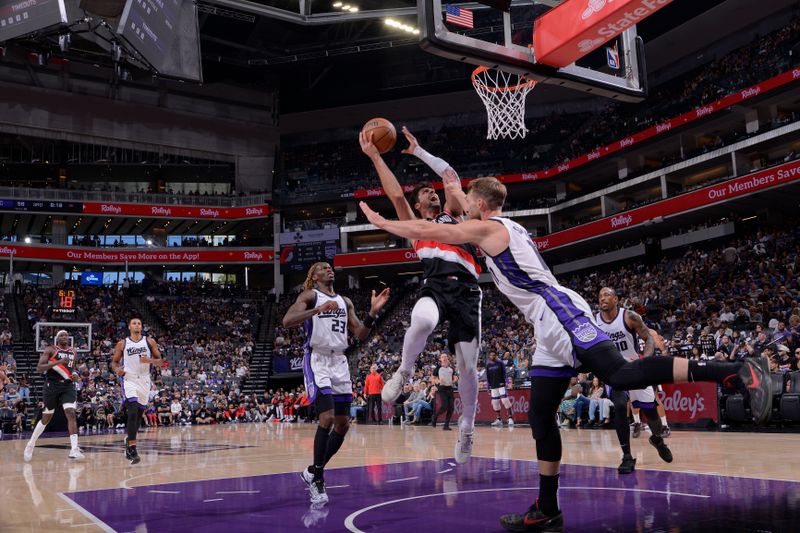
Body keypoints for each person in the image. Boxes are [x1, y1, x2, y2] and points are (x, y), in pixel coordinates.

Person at [359, 176, 772, 532]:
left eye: (468, 201)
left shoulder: (488, 229)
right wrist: (421, 155)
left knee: (622, 376)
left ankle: (733, 371)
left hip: (557, 310)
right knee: (539, 415)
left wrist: (384, 223)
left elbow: (445, 232)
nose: (462, 204)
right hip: (543, 326)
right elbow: (451, 185)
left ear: (480, 206)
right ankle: (547, 509)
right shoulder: (499, 222)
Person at [360, 128, 481, 463]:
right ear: (418, 204)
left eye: (433, 191)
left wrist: (419, 152)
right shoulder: (415, 227)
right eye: (426, 192)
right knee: (422, 319)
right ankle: (405, 371)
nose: (433, 194)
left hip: (468, 291)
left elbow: (450, 176)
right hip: (436, 286)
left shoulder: (456, 215)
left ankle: (467, 429)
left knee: (467, 369)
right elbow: (396, 196)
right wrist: (375, 156)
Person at [282, 262, 390, 506]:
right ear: (314, 275)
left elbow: (360, 334)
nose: (328, 269)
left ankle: (312, 470)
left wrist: (372, 314)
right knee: (327, 418)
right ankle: (318, 479)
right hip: (317, 358)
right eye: (322, 267)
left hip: (339, 360)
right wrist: (318, 309)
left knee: (342, 425)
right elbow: (287, 320)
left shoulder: (345, 301)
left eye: (330, 267)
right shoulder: (310, 295)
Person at [596, 287, 672, 474]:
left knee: (651, 412)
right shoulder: (594, 321)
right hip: (613, 371)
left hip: (634, 366)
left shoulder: (630, 317)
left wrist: (644, 360)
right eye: (600, 296)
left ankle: (657, 439)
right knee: (621, 406)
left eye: (606, 295)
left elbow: (649, 340)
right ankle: (627, 456)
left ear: (616, 299)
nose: (602, 299)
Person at [24, 330, 84, 461]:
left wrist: (74, 374)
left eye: (66, 335)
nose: (64, 337)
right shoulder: (51, 349)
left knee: (71, 413)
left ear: (68, 338)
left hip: (68, 386)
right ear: (57, 339)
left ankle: (74, 449)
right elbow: (40, 368)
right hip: (52, 386)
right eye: (61, 335)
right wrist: (58, 362)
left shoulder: (73, 351)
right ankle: (31, 443)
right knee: (46, 418)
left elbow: (71, 368)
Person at [111, 318, 162, 465]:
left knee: (139, 415)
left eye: (139, 323)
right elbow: (114, 362)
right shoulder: (123, 343)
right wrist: (117, 370)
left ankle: (129, 439)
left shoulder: (150, 342)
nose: (137, 325)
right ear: (129, 327)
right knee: (132, 411)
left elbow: (161, 361)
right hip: (129, 379)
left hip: (145, 380)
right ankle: (132, 448)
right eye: (134, 323)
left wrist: (150, 361)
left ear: (142, 327)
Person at [486, 351, 514, 427]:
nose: (492, 356)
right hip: (493, 386)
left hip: (501, 384)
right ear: (489, 356)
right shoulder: (488, 365)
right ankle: (499, 419)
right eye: (491, 355)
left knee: (505, 400)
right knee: (495, 403)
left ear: (496, 355)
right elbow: (488, 377)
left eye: (493, 355)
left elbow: (505, 373)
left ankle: (510, 418)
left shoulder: (500, 363)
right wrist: (488, 387)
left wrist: (508, 382)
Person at [431, 354, 456, 430]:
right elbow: (432, 379)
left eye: (446, 357)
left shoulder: (451, 369)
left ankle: (446, 425)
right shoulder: (438, 368)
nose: (444, 358)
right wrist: (438, 381)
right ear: (440, 359)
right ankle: (435, 417)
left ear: (448, 359)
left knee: (451, 408)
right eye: (443, 357)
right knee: (444, 406)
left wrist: (454, 380)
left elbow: (455, 377)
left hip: (450, 388)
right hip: (442, 388)